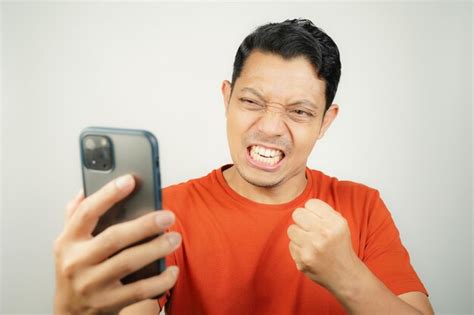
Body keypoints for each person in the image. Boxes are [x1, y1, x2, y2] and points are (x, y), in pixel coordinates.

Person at [53, 19, 434, 314]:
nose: (269, 128)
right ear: (227, 99)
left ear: (326, 122)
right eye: (252, 102)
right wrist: (76, 307)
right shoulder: (165, 214)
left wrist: (347, 276)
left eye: (299, 112)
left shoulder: (363, 207)